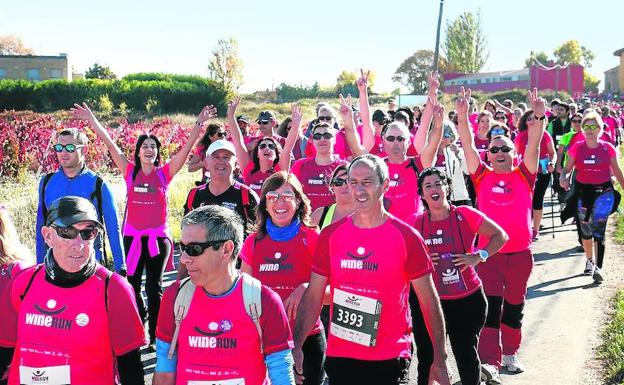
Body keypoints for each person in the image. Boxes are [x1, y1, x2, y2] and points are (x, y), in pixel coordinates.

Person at [293, 154, 451, 385]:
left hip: (388, 358)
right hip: (342, 357)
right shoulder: (330, 235)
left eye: (367, 182)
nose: (358, 190)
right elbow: (314, 296)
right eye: (353, 182)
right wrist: (297, 345)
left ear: (384, 185)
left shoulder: (407, 237)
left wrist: (440, 357)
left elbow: (429, 301)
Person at [71, 102, 214, 349]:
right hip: (132, 239)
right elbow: (108, 142)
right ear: (137, 152)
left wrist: (199, 124)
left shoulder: (164, 174)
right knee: (133, 285)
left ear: (157, 153)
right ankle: (140, 325)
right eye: (144, 146)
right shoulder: (129, 171)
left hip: (158, 239)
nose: (149, 150)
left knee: (153, 285)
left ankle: (156, 336)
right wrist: (92, 119)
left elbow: (187, 147)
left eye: (153, 147)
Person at [0, 196, 146, 385]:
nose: (79, 244)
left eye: (88, 233)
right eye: (67, 231)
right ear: (47, 236)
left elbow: (131, 369)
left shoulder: (114, 289)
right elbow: (4, 353)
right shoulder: (23, 283)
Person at [456, 87, 545, 379]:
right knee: (491, 308)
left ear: (512, 153)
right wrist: (461, 114)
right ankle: (490, 360)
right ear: (489, 156)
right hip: (489, 256)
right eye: (494, 150)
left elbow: (533, 144)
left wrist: (539, 116)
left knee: (514, 307)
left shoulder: (524, 174)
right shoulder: (481, 176)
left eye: (505, 148)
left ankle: (510, 354)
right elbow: (468, 145)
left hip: (520, 255)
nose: (499, 153)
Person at [153, 205, 295, 385]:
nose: (184, 259)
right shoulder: (175, 296)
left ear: (227, 249)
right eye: (182, 247)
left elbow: (281, 373)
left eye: (194, 249)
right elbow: (165, 366)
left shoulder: (263, 301)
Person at [410, 168, 508, 385]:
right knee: (427, 357)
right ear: (421, 195)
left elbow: (500, 236)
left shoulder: (464, 214)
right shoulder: (416, 222)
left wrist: (478, 256)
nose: (434, 189)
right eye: (428, 186)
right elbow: (401, 255)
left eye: (438, 184)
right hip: (430, 302)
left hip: (467, 299)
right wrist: (422, 260)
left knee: (465, 354)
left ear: (447, 188)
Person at [240, 171, 325, 385]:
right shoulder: (253, 242)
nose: (280, 202)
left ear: (298, 200)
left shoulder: (313, 237)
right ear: (264, 204)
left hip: (307, 337)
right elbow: (243, 294)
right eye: (272, 196)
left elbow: (333, 293)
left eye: (287, 196)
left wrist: (306, 287)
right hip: (263, 339)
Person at [35, 127, 126, 274]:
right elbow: (41, 225)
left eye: (70, 148)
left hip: (89, 266)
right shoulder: (46, 182)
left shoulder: (99, 185)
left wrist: (121, 268)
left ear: (84, 150)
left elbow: (113, 229)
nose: (63, 152)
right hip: (55, 267)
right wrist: (39, 266)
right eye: (59, 147)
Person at [560, 111, 624, 283]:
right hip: (583, 193)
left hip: (604, 192)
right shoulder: (577, 147)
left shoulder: (607, 148)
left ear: (600, 129)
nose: (589, 130)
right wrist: (563, 177)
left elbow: (617, 171)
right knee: (587, 230)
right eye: (586, 127)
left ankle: (599, 268)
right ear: (582, 129)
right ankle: (589, 261)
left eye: (593, 126)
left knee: (599, 230)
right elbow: (567, 169)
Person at [183, 139, 259, 234]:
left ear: (236, 164)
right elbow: (186, 232)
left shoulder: (247, 195)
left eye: (226, 157)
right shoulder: (195, 194)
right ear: (206, 163)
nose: (221, 161)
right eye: (216, 157)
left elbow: (257, 235)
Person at [227, 97, 300, 194]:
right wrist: (231, 116)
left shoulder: (280, 171)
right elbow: (238, 142)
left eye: (271, 146)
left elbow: (288, 149)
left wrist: (296, 124)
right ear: (257, 153)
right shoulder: (249, 170)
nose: (267, 148)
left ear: (277, 153)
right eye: (262, 146)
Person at [514, 110, 557, 241]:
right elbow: (515, 155)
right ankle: (524, 226)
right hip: (524, 173)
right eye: (529, 119)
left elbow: (552, 153)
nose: (532, 121)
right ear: (525, 122)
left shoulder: (545, 135)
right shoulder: (521, 137)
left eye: (535, 119)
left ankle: (535, 229)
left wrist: (552, 163)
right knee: (525, 200)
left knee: (538, 200)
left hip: (542, 172)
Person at [291, 121, 345, 210]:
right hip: (307, 220)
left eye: (327, 135)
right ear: (312, 141)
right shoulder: (300, 165)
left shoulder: (344, 167)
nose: (322, 139)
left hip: (334, 221)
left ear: (334, 140)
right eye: (317, 136)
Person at [433, 121, 471, 206]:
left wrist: (458, 153)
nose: (443, 138)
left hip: (458, 199)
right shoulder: (429, 155)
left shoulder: (459, 152)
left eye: (446, 135)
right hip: (436, 199)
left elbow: (468, 171)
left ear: (452, 137)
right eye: (440, 135)